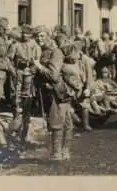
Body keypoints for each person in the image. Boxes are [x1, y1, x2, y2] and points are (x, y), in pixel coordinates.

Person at [31, 26, 69, 161]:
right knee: (58, 120)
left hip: (56, 92)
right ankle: (61, 152)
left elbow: (53, 75)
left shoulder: (55, 52)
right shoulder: (44, 51)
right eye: (37, 36)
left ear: (48, 36)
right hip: (47, 92)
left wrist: (39, 67)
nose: (38, 39)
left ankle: (58, 153)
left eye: (42, 36)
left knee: (57, 121)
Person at [7, 24, 41, 145]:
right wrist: (13, 71)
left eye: (26, 34)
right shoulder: (15, 45)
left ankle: (24, 132)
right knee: (16, 100)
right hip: (18, 73)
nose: (23, 35)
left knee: (27, 100)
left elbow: (38, 62)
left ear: (30, 35)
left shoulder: (35, 46)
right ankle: (15, 128)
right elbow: (8, 59)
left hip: (28, 74)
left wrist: (33, 69)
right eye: (22, 33)